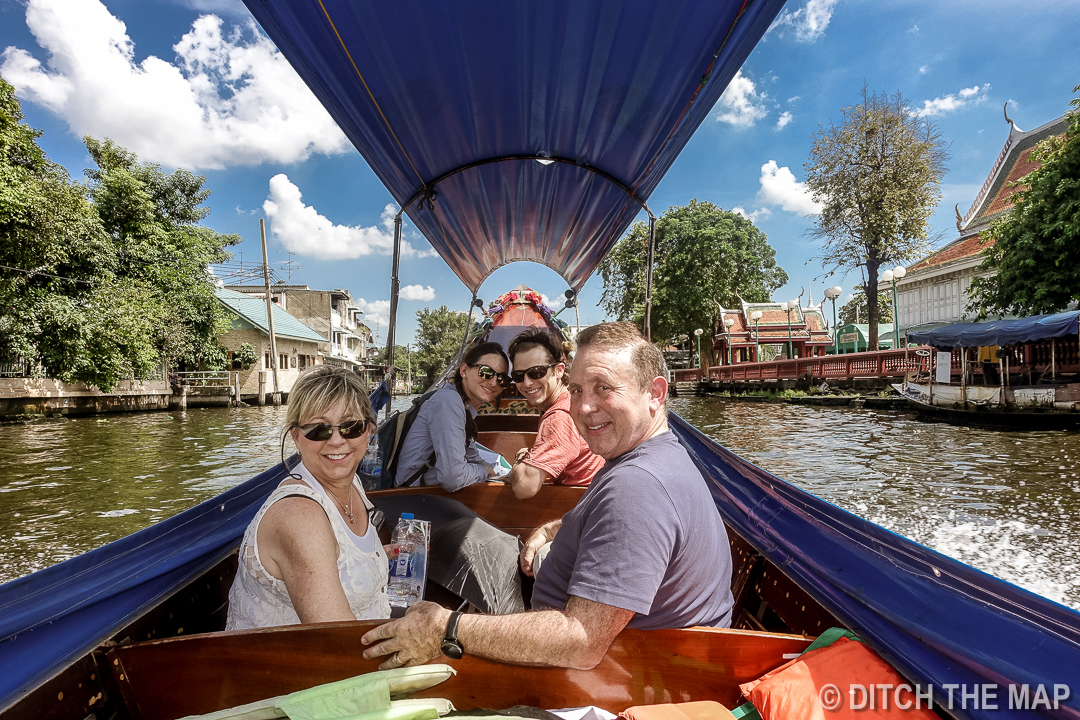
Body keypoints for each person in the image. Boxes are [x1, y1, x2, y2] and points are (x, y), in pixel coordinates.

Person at [361, 322, 733, 670]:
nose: (583, 408)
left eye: (604, 387)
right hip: (625, 650)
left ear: (654, 394)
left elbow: (580, 643)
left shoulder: (637, 489)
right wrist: (558, 527)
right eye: (576, 390)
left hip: (616, 678)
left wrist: (446, 626)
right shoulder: (650, 456)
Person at [226, 365, 390, 630]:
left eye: (351, 427)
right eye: (318, 429)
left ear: (368, 431)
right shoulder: (299, 516)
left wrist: (372, 561)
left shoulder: (351, 484)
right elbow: (337, 642)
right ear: (297, 438)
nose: (337, 440)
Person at [394, 342, 510, 491]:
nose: (494, 382)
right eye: (486, 372)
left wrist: (494, 473)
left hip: (426, 494)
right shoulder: (448, 401)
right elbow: (453, 478)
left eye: (502, 379)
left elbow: (471, 455)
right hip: (410, 498)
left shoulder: (463, 406)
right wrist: (484, 472)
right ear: (464, 371)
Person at [505, 328, 603, 498]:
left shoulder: (559, 417)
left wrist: (519, 462)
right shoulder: (572, 401)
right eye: (519, 375)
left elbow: (524, 487)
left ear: (558, 370)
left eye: (536, 372)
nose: (527, 383)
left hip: (576, 508)